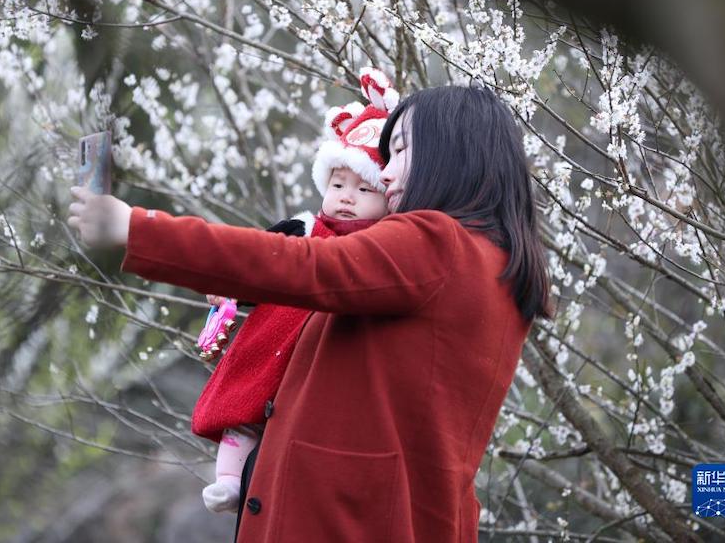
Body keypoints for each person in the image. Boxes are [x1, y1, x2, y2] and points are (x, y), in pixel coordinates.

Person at [68, 84, 553, 543]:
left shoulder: (437, 243)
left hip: (343, 522)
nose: (383, 174)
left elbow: (303, 266)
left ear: (451, 156)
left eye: (400, 152)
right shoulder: (496, 265)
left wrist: (134, 226)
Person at [195, 68, 399, 514]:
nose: (347, 196)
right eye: (338, 185)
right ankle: (229, 478)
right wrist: (227, 290)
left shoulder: (385, 249)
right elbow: (256, 263)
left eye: (364, 188)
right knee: (243, 412)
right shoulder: (303, 229)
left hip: (319, 354)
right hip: (273, 338)